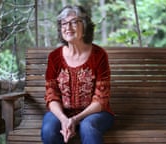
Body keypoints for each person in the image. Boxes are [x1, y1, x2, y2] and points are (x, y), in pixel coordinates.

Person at [41, 5, 114, 144]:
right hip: (62, 113)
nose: (68, 27)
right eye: (64, 23)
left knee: (88, 127)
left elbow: (101, 99)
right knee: (49, 130)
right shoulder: (54, 57)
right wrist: (64, 119)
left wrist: (75, 119)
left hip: (95, 114)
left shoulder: (99, 55)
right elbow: (52, 95)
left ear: (85, 26)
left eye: (74, 22)